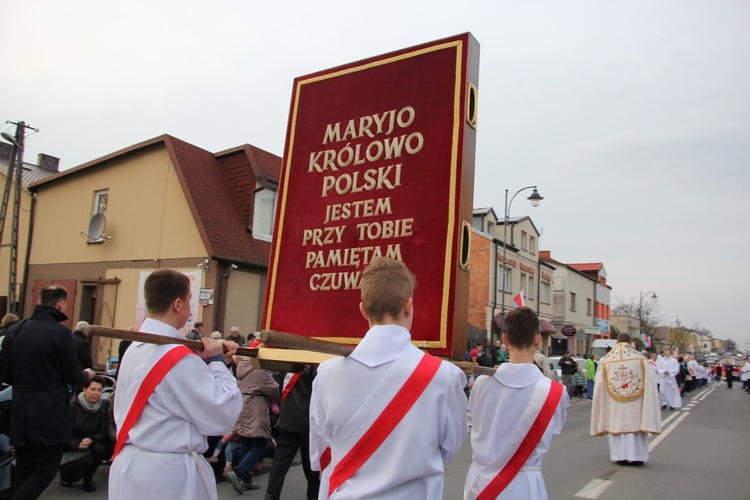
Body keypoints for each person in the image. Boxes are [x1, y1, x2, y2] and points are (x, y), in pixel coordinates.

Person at [309, 257, 468, 499]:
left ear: (363, 309)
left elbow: (320, 454)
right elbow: (449, 448)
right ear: (408, 306)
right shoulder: (444, 376)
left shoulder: (326, 374)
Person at [108, 269, 242, 500]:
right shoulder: (176, 356)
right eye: (190, 301)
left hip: (131, 466)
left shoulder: (135, 348)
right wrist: (216, 364)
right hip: (167, 475)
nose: (191, 307)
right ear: (178, 304)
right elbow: (222, 414)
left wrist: (214, 365)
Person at [0, 284, 95, 499]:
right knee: (46, 470)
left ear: (39, 302)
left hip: (20, 411)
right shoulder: (60, 334)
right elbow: (74, 376)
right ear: (61, 304)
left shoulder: (16, 330)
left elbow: (5, 374)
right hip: (49, 414)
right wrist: (86, 375)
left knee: (24, 469)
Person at [464, 307, 568, 499]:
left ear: (505, 340)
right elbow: (553, 432)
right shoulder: (556, 392)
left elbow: (474, 419)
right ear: (537, 340)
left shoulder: (481, 384)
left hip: (482, 483)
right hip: (526, 484)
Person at [591, 333, 661, 466]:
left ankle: (619, 456)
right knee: (635, 427)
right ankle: (637, 457)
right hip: (636, 403)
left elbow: (598, 383)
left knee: (617, 426)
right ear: (630, 342)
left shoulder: (607, 360)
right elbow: (651, 379)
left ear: (617, 341)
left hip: (615, 403)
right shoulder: (640, 359)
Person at [223, 357, 280, 493]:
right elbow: (273, 390)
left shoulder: (242, 365)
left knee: (246, 442)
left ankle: (246, 480)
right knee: (262, 443)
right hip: (256, 406)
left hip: (243, 404)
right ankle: (238, 472)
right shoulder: (260, 368)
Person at [264, 366, 320, 500]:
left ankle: (271, 494)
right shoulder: (313, 365)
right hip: (307, 420)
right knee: (310, 465)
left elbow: (280, 390)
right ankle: (313, 495)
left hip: (288, 418)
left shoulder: (288, 366)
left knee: (280, 462)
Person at [60, 375, 111, 492]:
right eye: (92, 389)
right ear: (84, 389)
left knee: (101, 448)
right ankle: (66, 474)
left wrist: (90, 440)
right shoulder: (72, 406)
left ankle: (88, 478)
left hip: (91, 442)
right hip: (72, 443)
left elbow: (103, 432)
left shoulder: (103, 407)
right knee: (71, 478)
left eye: (99, 390)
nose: (96, 393)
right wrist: (77, 444)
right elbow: (64, 433)